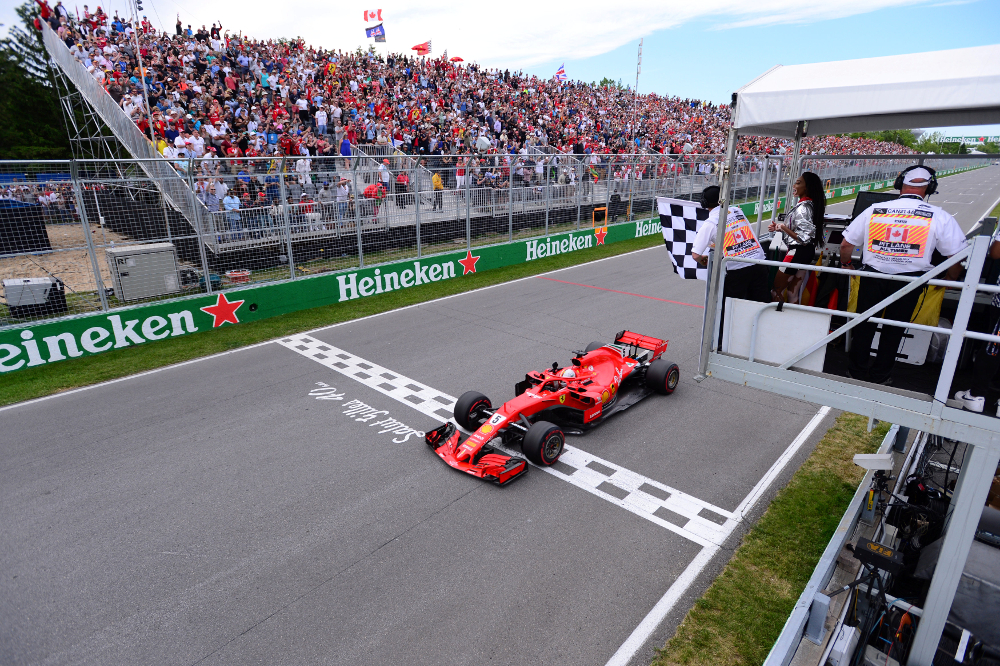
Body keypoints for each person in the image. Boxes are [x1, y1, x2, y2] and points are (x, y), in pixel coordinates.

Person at [840, 166, 966, 385]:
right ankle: (880, 376)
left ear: (900, 184)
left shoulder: (875, 209)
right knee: (894, 330)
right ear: (930, 187)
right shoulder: (940, 216)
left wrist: (847, 265)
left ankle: (856, 373)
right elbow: (957, 257)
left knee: (864, 326)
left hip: (873, 277)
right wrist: (950, 280)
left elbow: (845, 246)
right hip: (911, 281)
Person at [691, 185, 769, 345]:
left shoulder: (710, 222)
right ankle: (761, 342)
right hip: (759, 262)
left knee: (730, 311)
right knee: (761, 306)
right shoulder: (737, 211)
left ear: (704, 203)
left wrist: (705, 261)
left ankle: (727, 345)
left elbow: (696, 254)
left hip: (737, 270)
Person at [770, 171, 826, 303]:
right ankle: (792, 320)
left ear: (807, 187)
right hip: (806, 253)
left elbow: (803, 238)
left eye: (798, 183)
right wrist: (779, 229)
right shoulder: (810, 205)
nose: (794, 185)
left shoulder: (803, 208)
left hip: (797, 252)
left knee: (776, 290)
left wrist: (782, 227)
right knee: (792, 292)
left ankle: (776, 321)